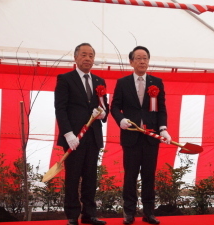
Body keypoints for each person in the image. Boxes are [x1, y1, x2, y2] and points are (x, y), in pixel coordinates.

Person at [111, 46, 171, 224]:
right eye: (138, 58)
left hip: (151, 137)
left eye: (145, 58)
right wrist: (121, 119)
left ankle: (149, 212)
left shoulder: (157, 82)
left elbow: (161, 108)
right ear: (131, 62)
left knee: (149, 175)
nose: (142, 61)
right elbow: (114, 106)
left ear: (148, 61)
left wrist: (163, 128)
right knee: (130, 175)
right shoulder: (123, 83)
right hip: (131, 137)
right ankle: (129, 212)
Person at [54, 43, 109, 225]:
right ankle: (72, 215)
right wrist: (68, 134)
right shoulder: (65, 79)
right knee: (72, 176)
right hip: (73, 138)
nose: (88, 59)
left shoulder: (100, 81)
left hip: (92, 136)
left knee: (91, 177)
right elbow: (60, 109)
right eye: (84, 55)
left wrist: (103, 113)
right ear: (76, 58)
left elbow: (104, 107)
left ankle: (89, 214)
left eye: (91, 55)